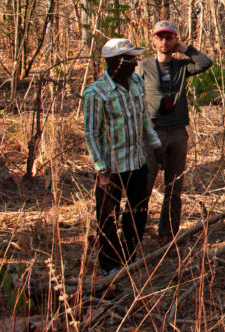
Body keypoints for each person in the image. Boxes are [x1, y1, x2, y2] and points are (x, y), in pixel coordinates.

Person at [83, 38, 163, 275]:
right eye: (130, 59)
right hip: (111, 167)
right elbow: (91, 133)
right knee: (107, 217)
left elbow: (142, 118)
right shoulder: (96, 93)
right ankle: (110, 265)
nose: (135, 63)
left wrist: (155, 144)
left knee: (138, 212)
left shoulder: (137, 82)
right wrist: (101, 169)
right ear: (115, 62)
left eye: (135, 58)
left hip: (137, 161)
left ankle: (129, 255)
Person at [136, 20, 213, 244]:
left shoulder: (181, 66)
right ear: (153, 39)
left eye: (169, 38)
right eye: (160, 37)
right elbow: (133, 94)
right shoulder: (144, 66)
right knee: (144, 187)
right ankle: (134, 235)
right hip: (153, 133)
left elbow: (205, 63)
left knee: (174, 187)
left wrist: (186, 49)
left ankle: (167, 233)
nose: (164, 41)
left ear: (175, 39)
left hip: (178, 132)